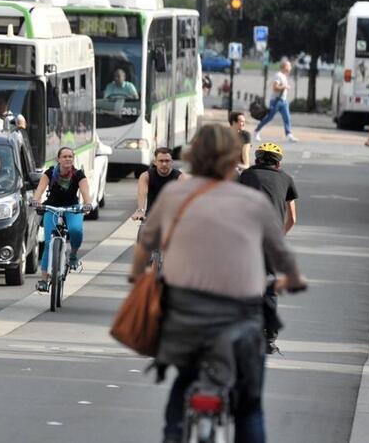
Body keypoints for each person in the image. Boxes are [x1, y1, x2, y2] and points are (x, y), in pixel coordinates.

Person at [131, 124, 306, 443]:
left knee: (183, 387)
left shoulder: (178, 194)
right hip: (241, 316)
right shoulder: (249, 202)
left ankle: (174, 435)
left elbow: (150, 243)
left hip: (190, 316)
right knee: (249, 406)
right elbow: (280, 251)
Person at [239, 142, 299, 354]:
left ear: (257, 159)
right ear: (278, 163)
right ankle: (269, 338)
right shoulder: (286, 179)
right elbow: (293, 217)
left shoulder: (246, 176)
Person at [32, 146, 93, 292]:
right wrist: (36, 200)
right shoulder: (50, 173)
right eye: (64, 156)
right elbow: (39, 190)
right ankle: (44, 279)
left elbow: (85, 193)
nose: (68, 159)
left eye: (70, 157)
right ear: (58, 159)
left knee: (75, 230)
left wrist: (87, 204)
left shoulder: (78, 175)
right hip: (52, 208)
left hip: (72, 208)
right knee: (48, 243)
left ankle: (73, 255)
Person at [132, 147, 185, 221]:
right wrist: (140, 211)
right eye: (161, 161)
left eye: (167, 161)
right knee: (143, 231)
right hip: (151, 216)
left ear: (172, 162)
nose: (164, 164)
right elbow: (142, 193)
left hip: (171, 217)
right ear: (155, 162)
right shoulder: (146, 176)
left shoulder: (180, 177)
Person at [253, 58, 297, 143]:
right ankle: (256, 131)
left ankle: (289, 134)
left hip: (283, 101)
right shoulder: (278, 75)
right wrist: (284, 87)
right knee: (269, 117)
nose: (290, 68)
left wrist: (285, 87)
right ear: (284, 67)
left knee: (287, 118)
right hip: (276, 101)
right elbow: (275, 87)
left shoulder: (284, 76)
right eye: (289, 66)